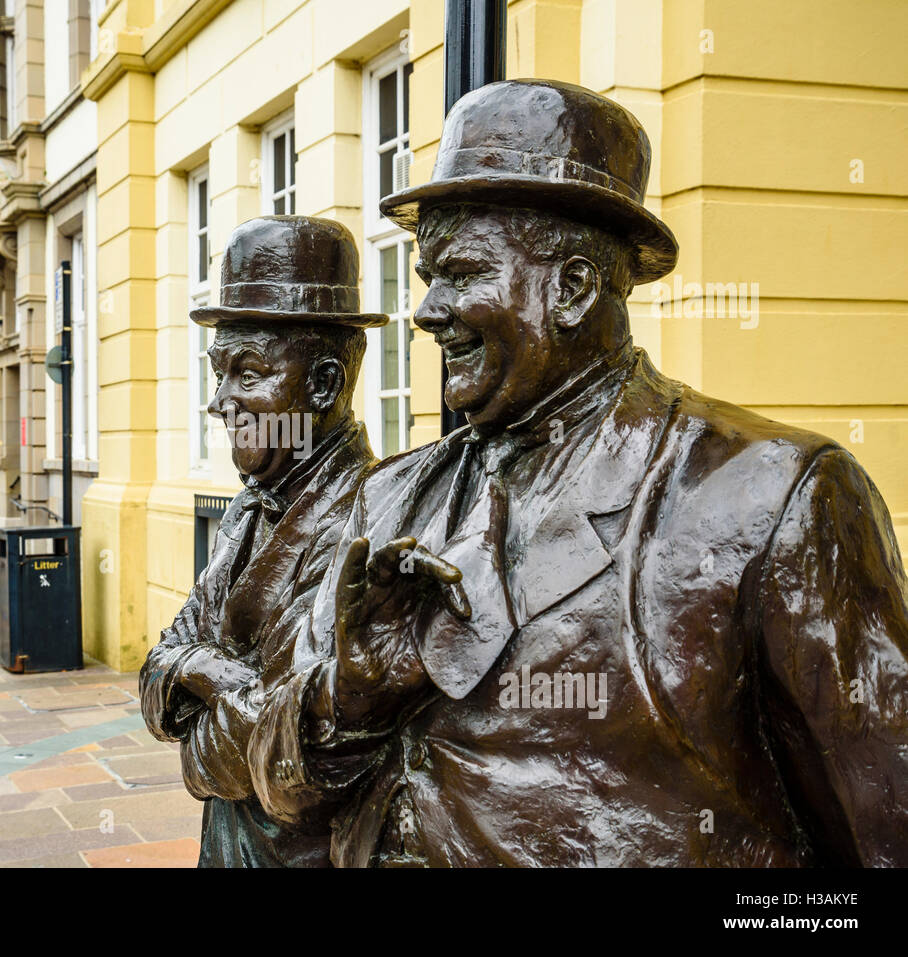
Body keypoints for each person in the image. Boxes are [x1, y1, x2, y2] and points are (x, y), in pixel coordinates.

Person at [247, 79, 908, 867]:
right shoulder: (390, 499)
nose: (426, 311)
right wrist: (348, 702)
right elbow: (277, 785)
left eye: (460, 274)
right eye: (428, 279)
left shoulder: (771, 495)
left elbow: (886, 822)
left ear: (572, 288)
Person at [139, 216, 384, 867]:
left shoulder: (370, 524)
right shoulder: (246, 509)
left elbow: (255, 757)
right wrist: (203, 666)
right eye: (219, 373)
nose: (220, 402)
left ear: (324, 384)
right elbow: (156, 668)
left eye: (247, 373)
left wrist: (204, 691)